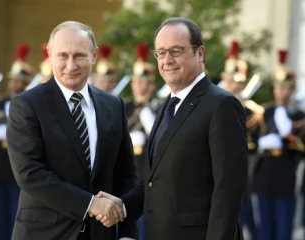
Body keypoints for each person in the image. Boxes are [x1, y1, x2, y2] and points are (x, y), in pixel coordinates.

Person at [96, 17, 248, 240]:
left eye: (176, 51)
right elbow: (155, 179)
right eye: (161, 52)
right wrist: (123, 206)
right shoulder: (168, 106)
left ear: (200, 53)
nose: (167, 60)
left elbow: (228, 190)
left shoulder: (221, 105)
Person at [6, 21, 138, 240]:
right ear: (49, 54)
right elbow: (29, 173)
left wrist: (127, 234)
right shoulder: (27, 104)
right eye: (62, 56)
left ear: (94, 55)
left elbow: (125, 175)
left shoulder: (114, 105)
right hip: (45, 234)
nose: (71, 65)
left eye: (79, 55)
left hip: (100, 234)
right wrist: (90, 204)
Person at [253, 50, 305, 240]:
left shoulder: (299, 116)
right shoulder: (265, 112)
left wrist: (286, 137)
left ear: (292, 90)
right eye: (278, 87)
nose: (281, 91)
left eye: (285, 88)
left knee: (283, 228)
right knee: (265, 228)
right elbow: (255, 138)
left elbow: (301, 145)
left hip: (286, 173)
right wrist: (262, 142)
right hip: (265, 174)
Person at [0, 43, 32, 240]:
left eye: (18, 80)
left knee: (16, 213)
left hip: (19, 165)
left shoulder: (29, 104)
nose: (13, 84)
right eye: (12, 80)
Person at [222, 40, 260, 240]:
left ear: (243, 82)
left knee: (246, 218)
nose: (230, 83)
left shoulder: (253, 111)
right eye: (228, 79)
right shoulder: (216, 106)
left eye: (235, 80)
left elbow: (254, 145)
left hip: (242, 170)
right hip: (219, 172)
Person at [125, 43, 157, 240]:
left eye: (145, 82)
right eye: (137, 82)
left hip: (147, 169)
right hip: (127, 167)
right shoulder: (123, 107)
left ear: (152, 85)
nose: (140, 86)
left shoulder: (158, 108)